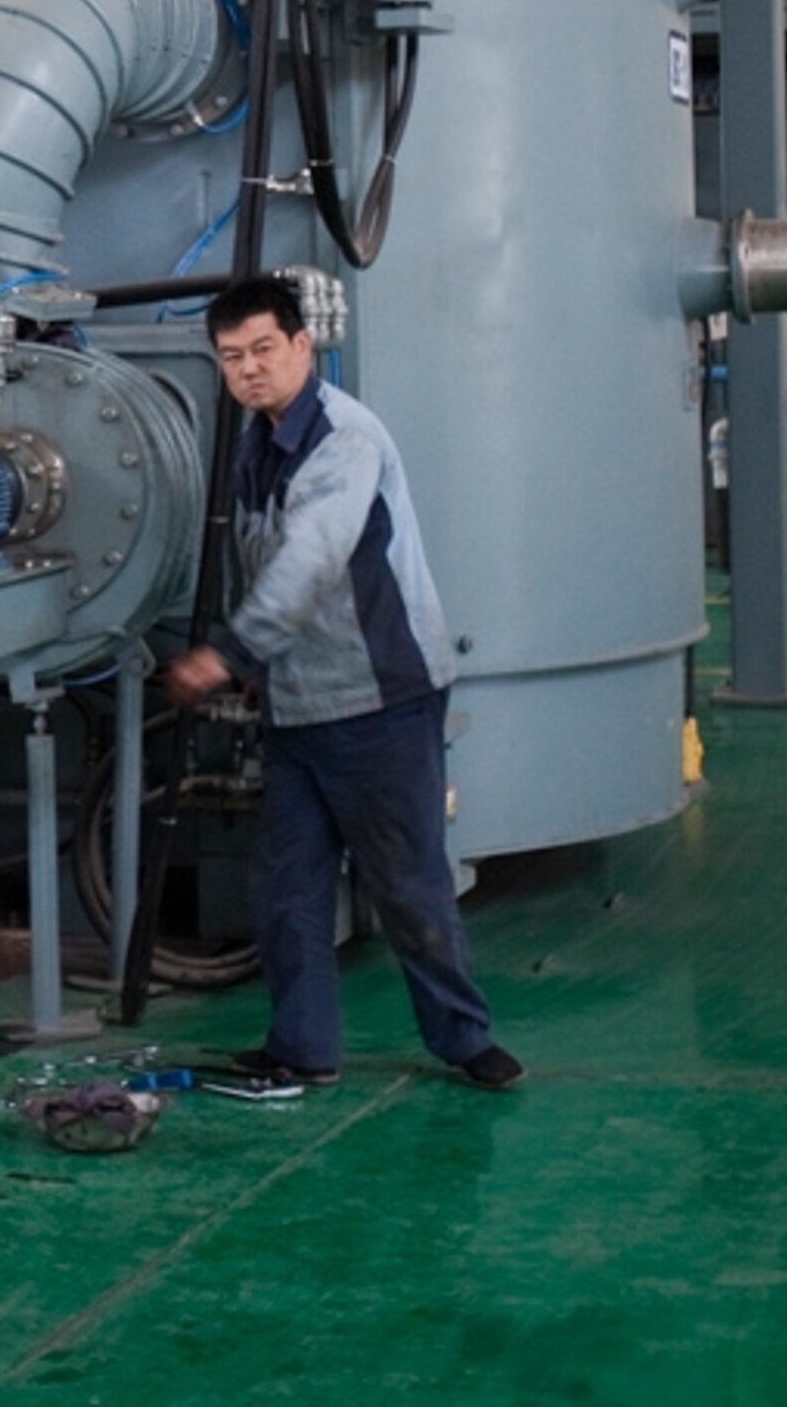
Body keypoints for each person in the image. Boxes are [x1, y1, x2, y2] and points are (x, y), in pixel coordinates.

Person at [162, 275, 523, 1094]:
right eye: (230, 357)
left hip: (380, 702)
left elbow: (312, 562)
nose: (249, 369)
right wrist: (258, 674)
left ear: (302, 346)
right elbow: (251, 554)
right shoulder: (259, 438)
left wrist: (230, 652)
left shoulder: (344, 440)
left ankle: (466, 1041)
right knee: (287, 889)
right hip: (298, 708)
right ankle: (302, 1048)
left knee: (408, 883)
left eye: (262, 349)